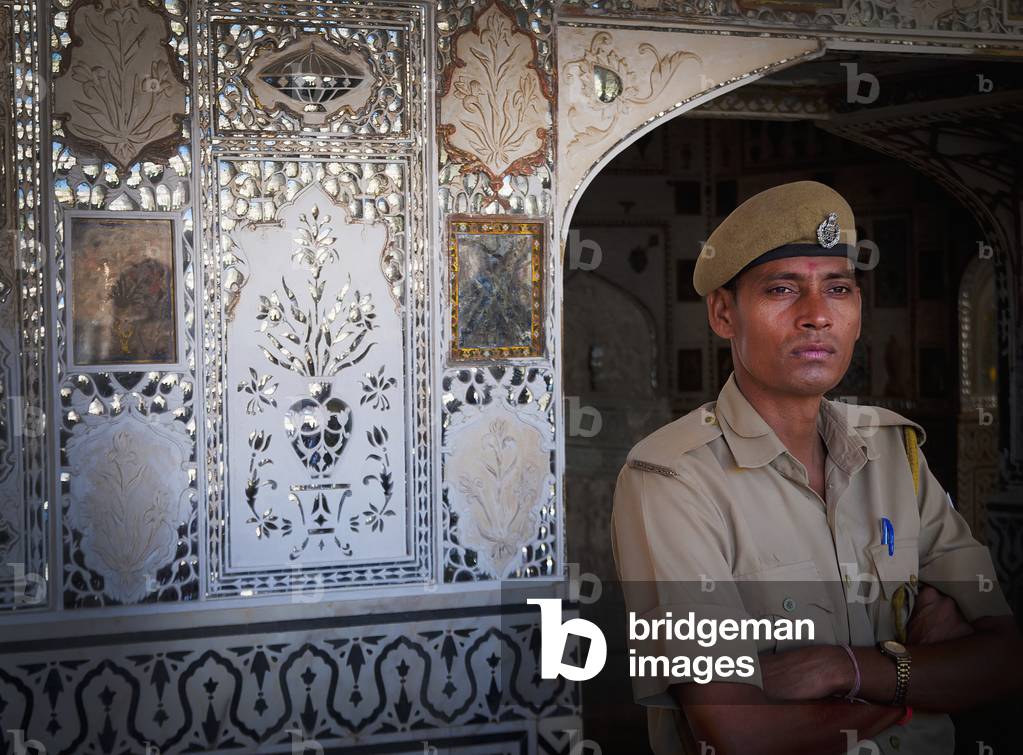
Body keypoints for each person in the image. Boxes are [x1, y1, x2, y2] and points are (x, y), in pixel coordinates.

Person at [610, 180, 1023, 754]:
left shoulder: (893, 454)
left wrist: (844, 669)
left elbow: (1004, 661)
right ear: (724, 313)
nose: (816, 316)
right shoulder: (673, 477)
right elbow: (740, 732)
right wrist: (919, 676)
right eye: (782, 290)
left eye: (838, 289)